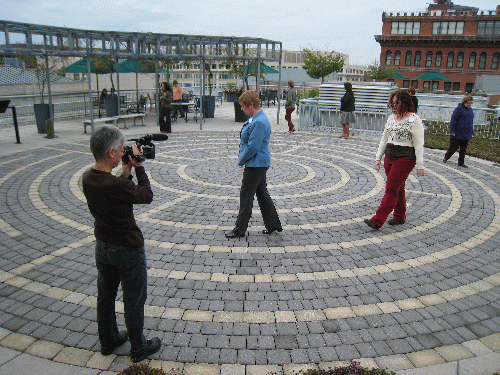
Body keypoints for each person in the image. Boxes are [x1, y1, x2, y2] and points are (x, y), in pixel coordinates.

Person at [82, 125, 161, 363]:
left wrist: (125, 170)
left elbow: (114, 191)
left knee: (105, 295)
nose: (122, 153)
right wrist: (139, 167)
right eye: (120, 150)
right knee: (134, 298)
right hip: (127, 248)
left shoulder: (88, 178)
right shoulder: (116, 185)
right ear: (110, 153)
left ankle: (108, 339)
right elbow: (145, 195)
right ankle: (138, 347)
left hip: (103, 247)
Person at [364, 90, 425, 230]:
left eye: (397, 102)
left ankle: (377, 220)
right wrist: (378, 157)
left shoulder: (415, 119)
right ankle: (399, 216)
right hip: (390, 156)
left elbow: (419, 143)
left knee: (391, 189)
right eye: (393, 102)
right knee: (399, 187)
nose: (394, 105)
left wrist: (420, 165)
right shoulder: (391, 118)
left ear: (405, 102)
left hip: (405, 157)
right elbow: (384, 139)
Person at [225, 90, 282, 238]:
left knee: (246, 196)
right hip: (258, 163)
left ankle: (239, 229)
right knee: (262, 194)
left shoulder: (259, 121)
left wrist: (241, 159)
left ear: (251, 105)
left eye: (243, 106)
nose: (242, 109)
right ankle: (273, 225)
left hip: (256, 164)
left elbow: (253, 147)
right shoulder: (256, 118)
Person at [443, 95, 474, 168]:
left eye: (470, 103)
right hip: (457, 132)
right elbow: (453, 120)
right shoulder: (459, 109)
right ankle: (446, 157)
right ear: (464, 102)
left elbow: (471, 121)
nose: (469, 105)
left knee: (463, 149)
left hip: (466, 133)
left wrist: (470, 132)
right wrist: (452, 130)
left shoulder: (470, 110)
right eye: (468, 103)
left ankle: (461, 162)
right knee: (454, 147)